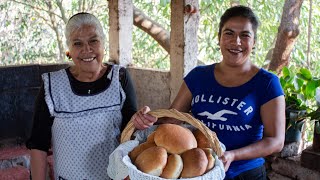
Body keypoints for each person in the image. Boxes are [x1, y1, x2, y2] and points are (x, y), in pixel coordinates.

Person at [132, 5, 285, 180]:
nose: (236, 42)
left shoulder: (267, 83)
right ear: (219, 38)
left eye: (245, 35)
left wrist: (233, 155)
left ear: (254, 42)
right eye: (229, 33)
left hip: (245, 173)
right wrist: (147, 119)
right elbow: (173, 118)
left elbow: (276, 141)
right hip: (201, 170)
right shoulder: (198, 76)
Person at [26, 12, 137, 180]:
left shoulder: (119, 78)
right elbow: (38, 144)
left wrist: (142, 121)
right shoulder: (52, 85)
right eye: (77, 43)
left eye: (93, 40)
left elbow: (131, 133)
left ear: (103, 44)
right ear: (69, 50)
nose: (87, 49)